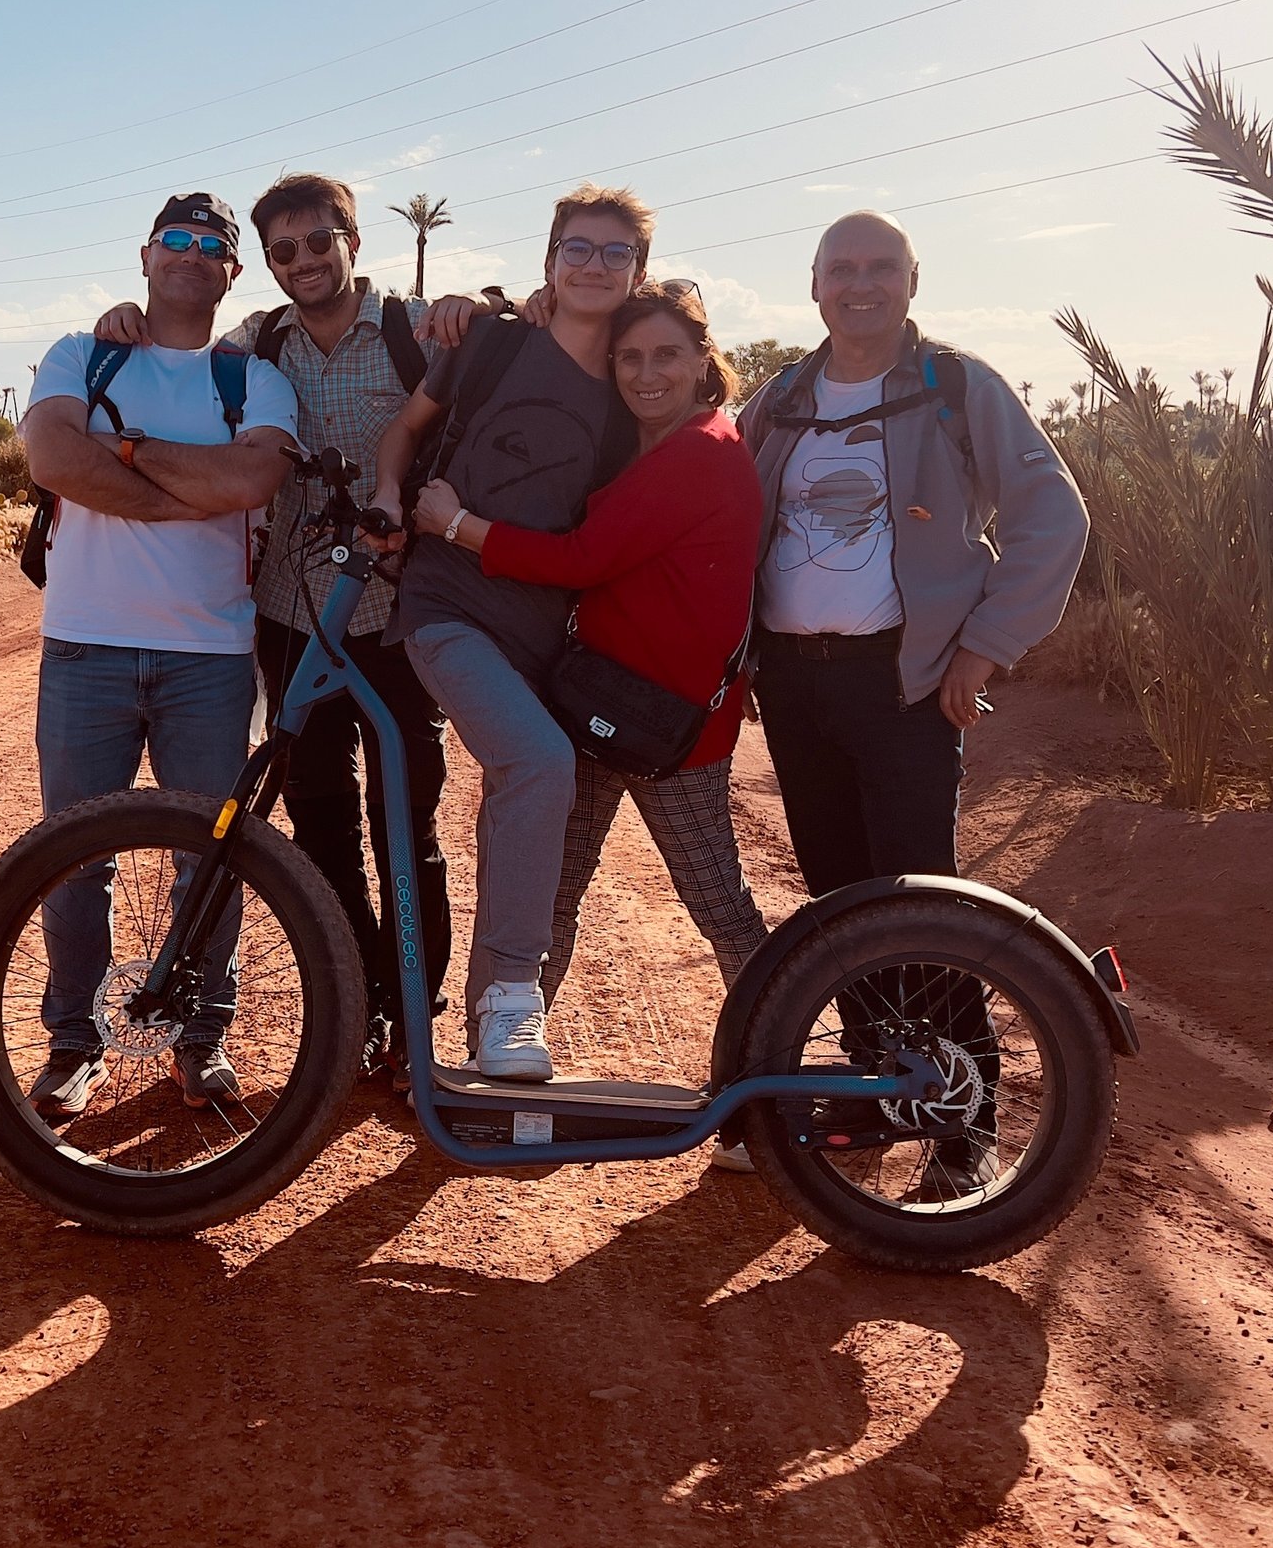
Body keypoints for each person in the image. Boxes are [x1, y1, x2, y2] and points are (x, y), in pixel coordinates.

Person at [738, 210, 1087, 1194]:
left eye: (879, 266)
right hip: (797, 685)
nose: (860, 284)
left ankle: (961, 1120)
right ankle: (872, 1089)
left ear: (911, 279)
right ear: (813, 286)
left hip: (906, 681)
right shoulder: (783, 398)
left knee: (924, 902)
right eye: (840, 268)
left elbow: (1051, 518)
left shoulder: (954, 387)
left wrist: (984, 649)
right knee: (839, 902)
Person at [92, 173, 469, 1070]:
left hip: (398, 619)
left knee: (405, 827)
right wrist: (125, 322)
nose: (303, 262)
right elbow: (173, 359)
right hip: (291, 619)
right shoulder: (255, 347)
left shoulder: (419, 334)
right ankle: (366, 1012)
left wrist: (478, 309)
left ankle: (417, 1021)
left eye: (318, 243)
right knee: (321, 822)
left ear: (353, 243)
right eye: (283, 251)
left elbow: (496, 368)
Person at [411, 277, 769, 1003]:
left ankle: (772, 1064)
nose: (645, 374)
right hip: (597, 703)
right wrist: (501, 303)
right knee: (548, 898)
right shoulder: (641, 443)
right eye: (629, 356)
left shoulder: (702, 448)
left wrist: (456, 526)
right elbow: (575, 298)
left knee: (719, 909)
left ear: (704, 360)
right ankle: (501, 1061)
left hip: (668, 730)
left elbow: (580, 559)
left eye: (666, 354)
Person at [18, 191, 297, 1120]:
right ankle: (74, 1044)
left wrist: (123, 450)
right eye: (173, 239)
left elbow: (254, 478)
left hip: (211, 657)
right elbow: (53, 458)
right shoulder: (82, 352)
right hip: (87, 646)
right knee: (71, 860)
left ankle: (199, 1041)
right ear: (144, 255)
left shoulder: (252, 378)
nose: (190, 253)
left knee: (211, 862)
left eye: (211, 243)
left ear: (232, 270)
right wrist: (189, 490)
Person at [372, 185, 650, 1079]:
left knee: (517, 791)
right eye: (579, 248)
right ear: (550, 262)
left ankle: (482, 1037)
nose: (595, 265)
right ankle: (510, 1007)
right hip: (445, 607)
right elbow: (403, 435)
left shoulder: (633, 393)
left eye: (616, 253)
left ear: (639, 271)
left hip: (542, 639)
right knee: (537, 764)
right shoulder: (489, 345)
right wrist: (388, 499)